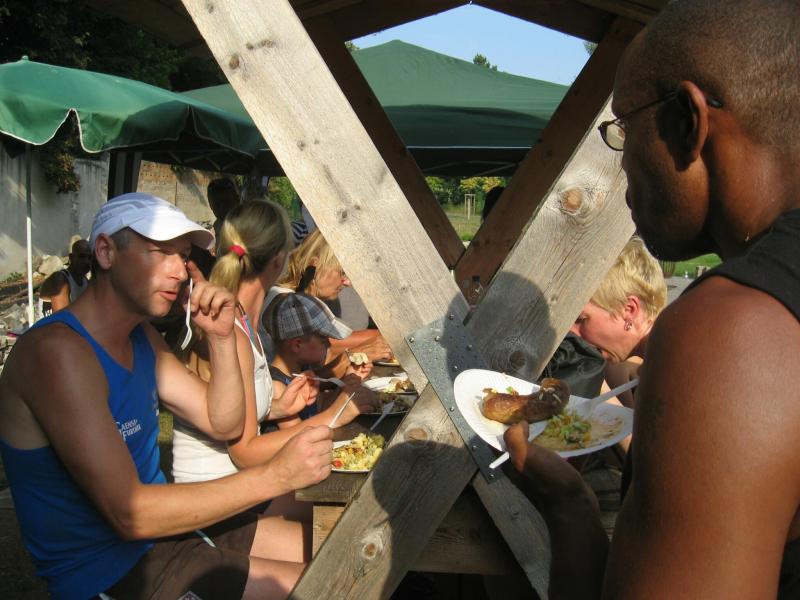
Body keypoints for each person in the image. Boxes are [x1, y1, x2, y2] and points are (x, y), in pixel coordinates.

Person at [505, 1, 800, 598]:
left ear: (687, 123)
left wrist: (567, 507)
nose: (624, 169)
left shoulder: (733, 329)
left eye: (625, 130)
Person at [0, 193, 333, 600]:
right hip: (111, 575)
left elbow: (223, 422)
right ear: (105, 252)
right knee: (334, 585)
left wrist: (222, 338)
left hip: (168, 538)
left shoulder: (139, 336)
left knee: (339, 554)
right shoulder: (58, 352)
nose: (179, 271)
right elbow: (131, 514)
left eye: (183, 256)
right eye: (160, 253)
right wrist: (276, 476)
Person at [172, 204, 373, 487]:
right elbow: (245, 453)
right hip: (216, 495)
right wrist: (333, 415)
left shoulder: (243, 323)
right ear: (278, 260)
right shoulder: (232, 332)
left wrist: (277, 407)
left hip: (236, 487)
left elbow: (238, 412)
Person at [260, 229, 391, 368]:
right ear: (315, 265)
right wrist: (359, 353)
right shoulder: (288, 304)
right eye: (342, 272)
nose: (347, 282)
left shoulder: (295, 298)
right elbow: (327, 348)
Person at [569, 236, 667, 408]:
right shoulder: (652, 360)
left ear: (629, 310)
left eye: (581, 319)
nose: (571, 331)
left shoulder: (676, 367)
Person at [38, 238, 92, 312]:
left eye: (90, 257)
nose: (86, 261)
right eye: (81, 256)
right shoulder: (61, 280)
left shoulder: (85, 281)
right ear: (71, 257)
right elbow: (61, 317)